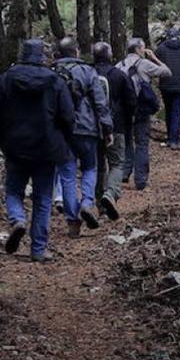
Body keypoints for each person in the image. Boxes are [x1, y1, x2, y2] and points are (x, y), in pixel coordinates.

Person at [0, 39, 75, 263]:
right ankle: (38, 249)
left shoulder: (6, 79)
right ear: (42, 56)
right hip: (46, 148)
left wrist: (3, 141)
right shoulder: (55, 80)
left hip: (15, 147)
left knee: (13, 191)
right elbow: (67, 116)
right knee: (43, 198)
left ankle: (17, 219)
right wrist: (61, 141)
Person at [51, 37, 111, 236]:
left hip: (61, 131)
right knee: (89, 168)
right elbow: (100, 103)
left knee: (67, 174)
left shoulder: (52, 73)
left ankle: (72, 219)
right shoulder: (88, 71)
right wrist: (107, 128)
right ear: (76, 51)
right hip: (87, 128)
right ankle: (86, 202)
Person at [118, 37, 170, 190]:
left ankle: (124, 174)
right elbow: (167, 72)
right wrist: (154, 58)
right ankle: (140, 180)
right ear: (138, 49)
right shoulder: (144, 64)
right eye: (143, 48)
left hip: (124, 110)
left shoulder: (119, 65)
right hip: (141, 110)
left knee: (127, 141)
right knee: (141, 143)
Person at [92, 42, 135, 221]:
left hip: (92, 127)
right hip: (116, 126)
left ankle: (101, 207)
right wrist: (127, 121)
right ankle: (111, 194)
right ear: (110, 56)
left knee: (98, 166)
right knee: (117, 163)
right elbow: (131, 101)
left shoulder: (89, 73)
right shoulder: (119, 75)